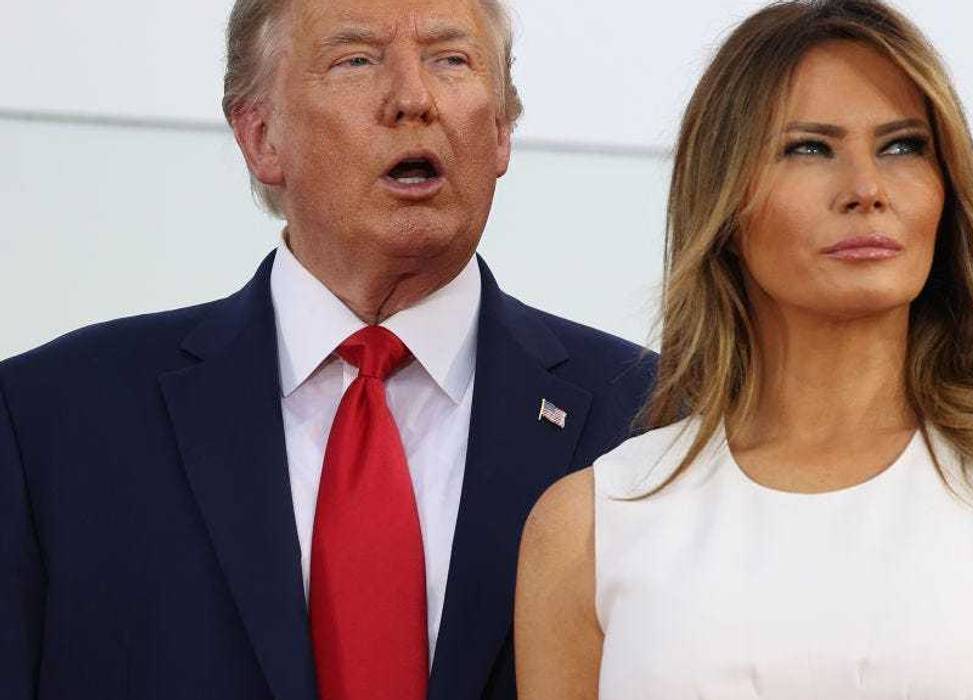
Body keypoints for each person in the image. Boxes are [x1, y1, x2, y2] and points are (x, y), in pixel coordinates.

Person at [515, 0, 973, 697]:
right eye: (808, 148)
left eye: (902, 146)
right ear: (724, 200)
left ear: (946, 191)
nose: (866, 189)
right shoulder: (591, 524)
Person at [0, 0, 654, 698]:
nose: (413, 98)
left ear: (500, 132)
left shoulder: (648, 418)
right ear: (260, 137)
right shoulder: (51, 420)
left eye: (450, 59)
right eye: (356, 59)